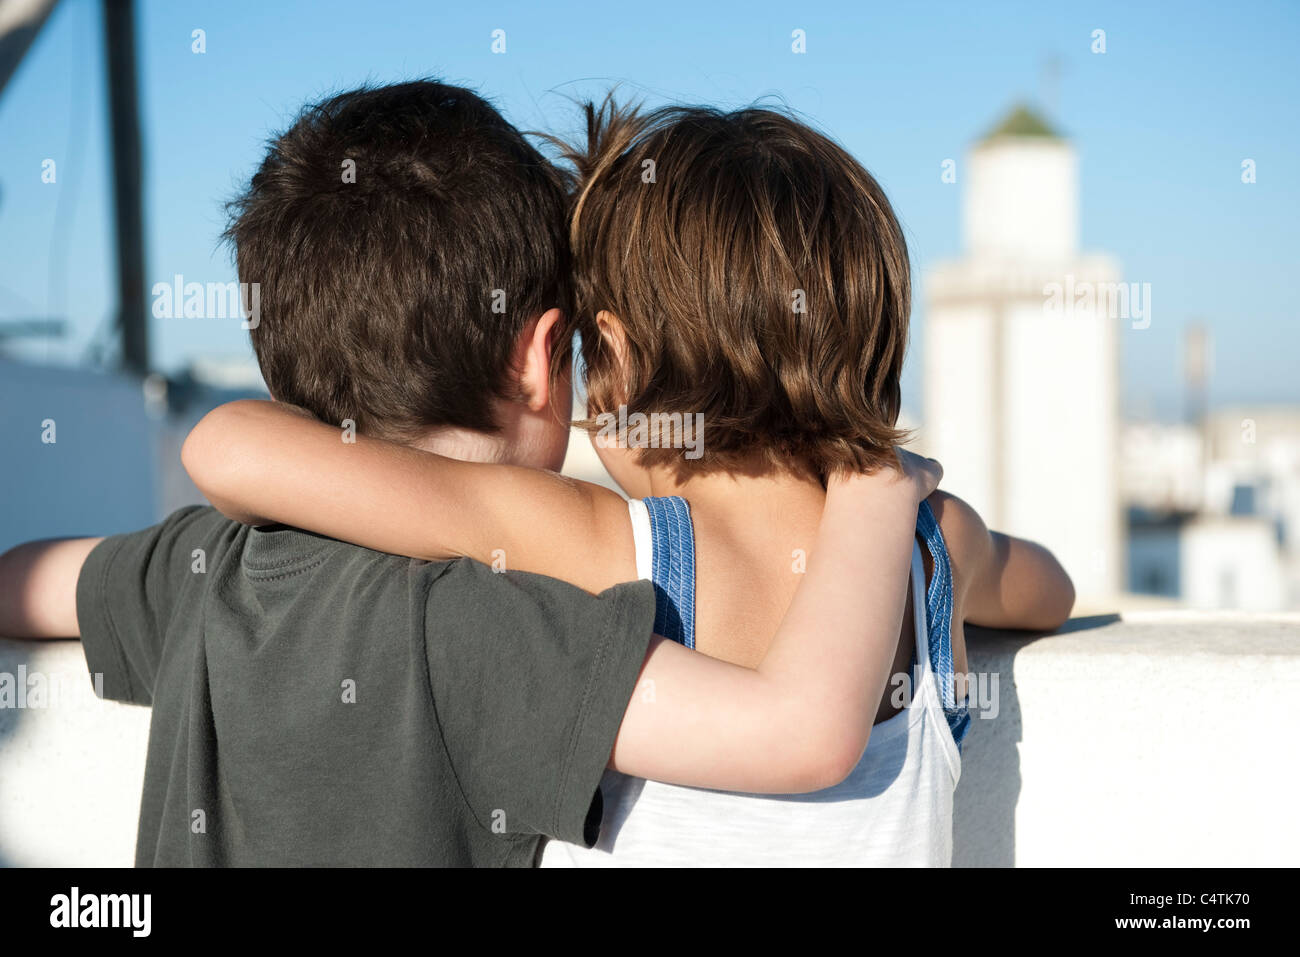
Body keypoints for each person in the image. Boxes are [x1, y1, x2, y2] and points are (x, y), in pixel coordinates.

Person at [0, 81, 942, 867]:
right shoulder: (502, 624)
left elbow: (59, 559)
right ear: (542, 356)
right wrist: (878, 481)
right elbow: (800, 727)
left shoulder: (198, 568)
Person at [181, 96, 1075, 866]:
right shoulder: (931, 545)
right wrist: (885, 486)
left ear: (619, 353)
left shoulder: (604, 543)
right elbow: (1051, 591)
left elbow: (229, 449)